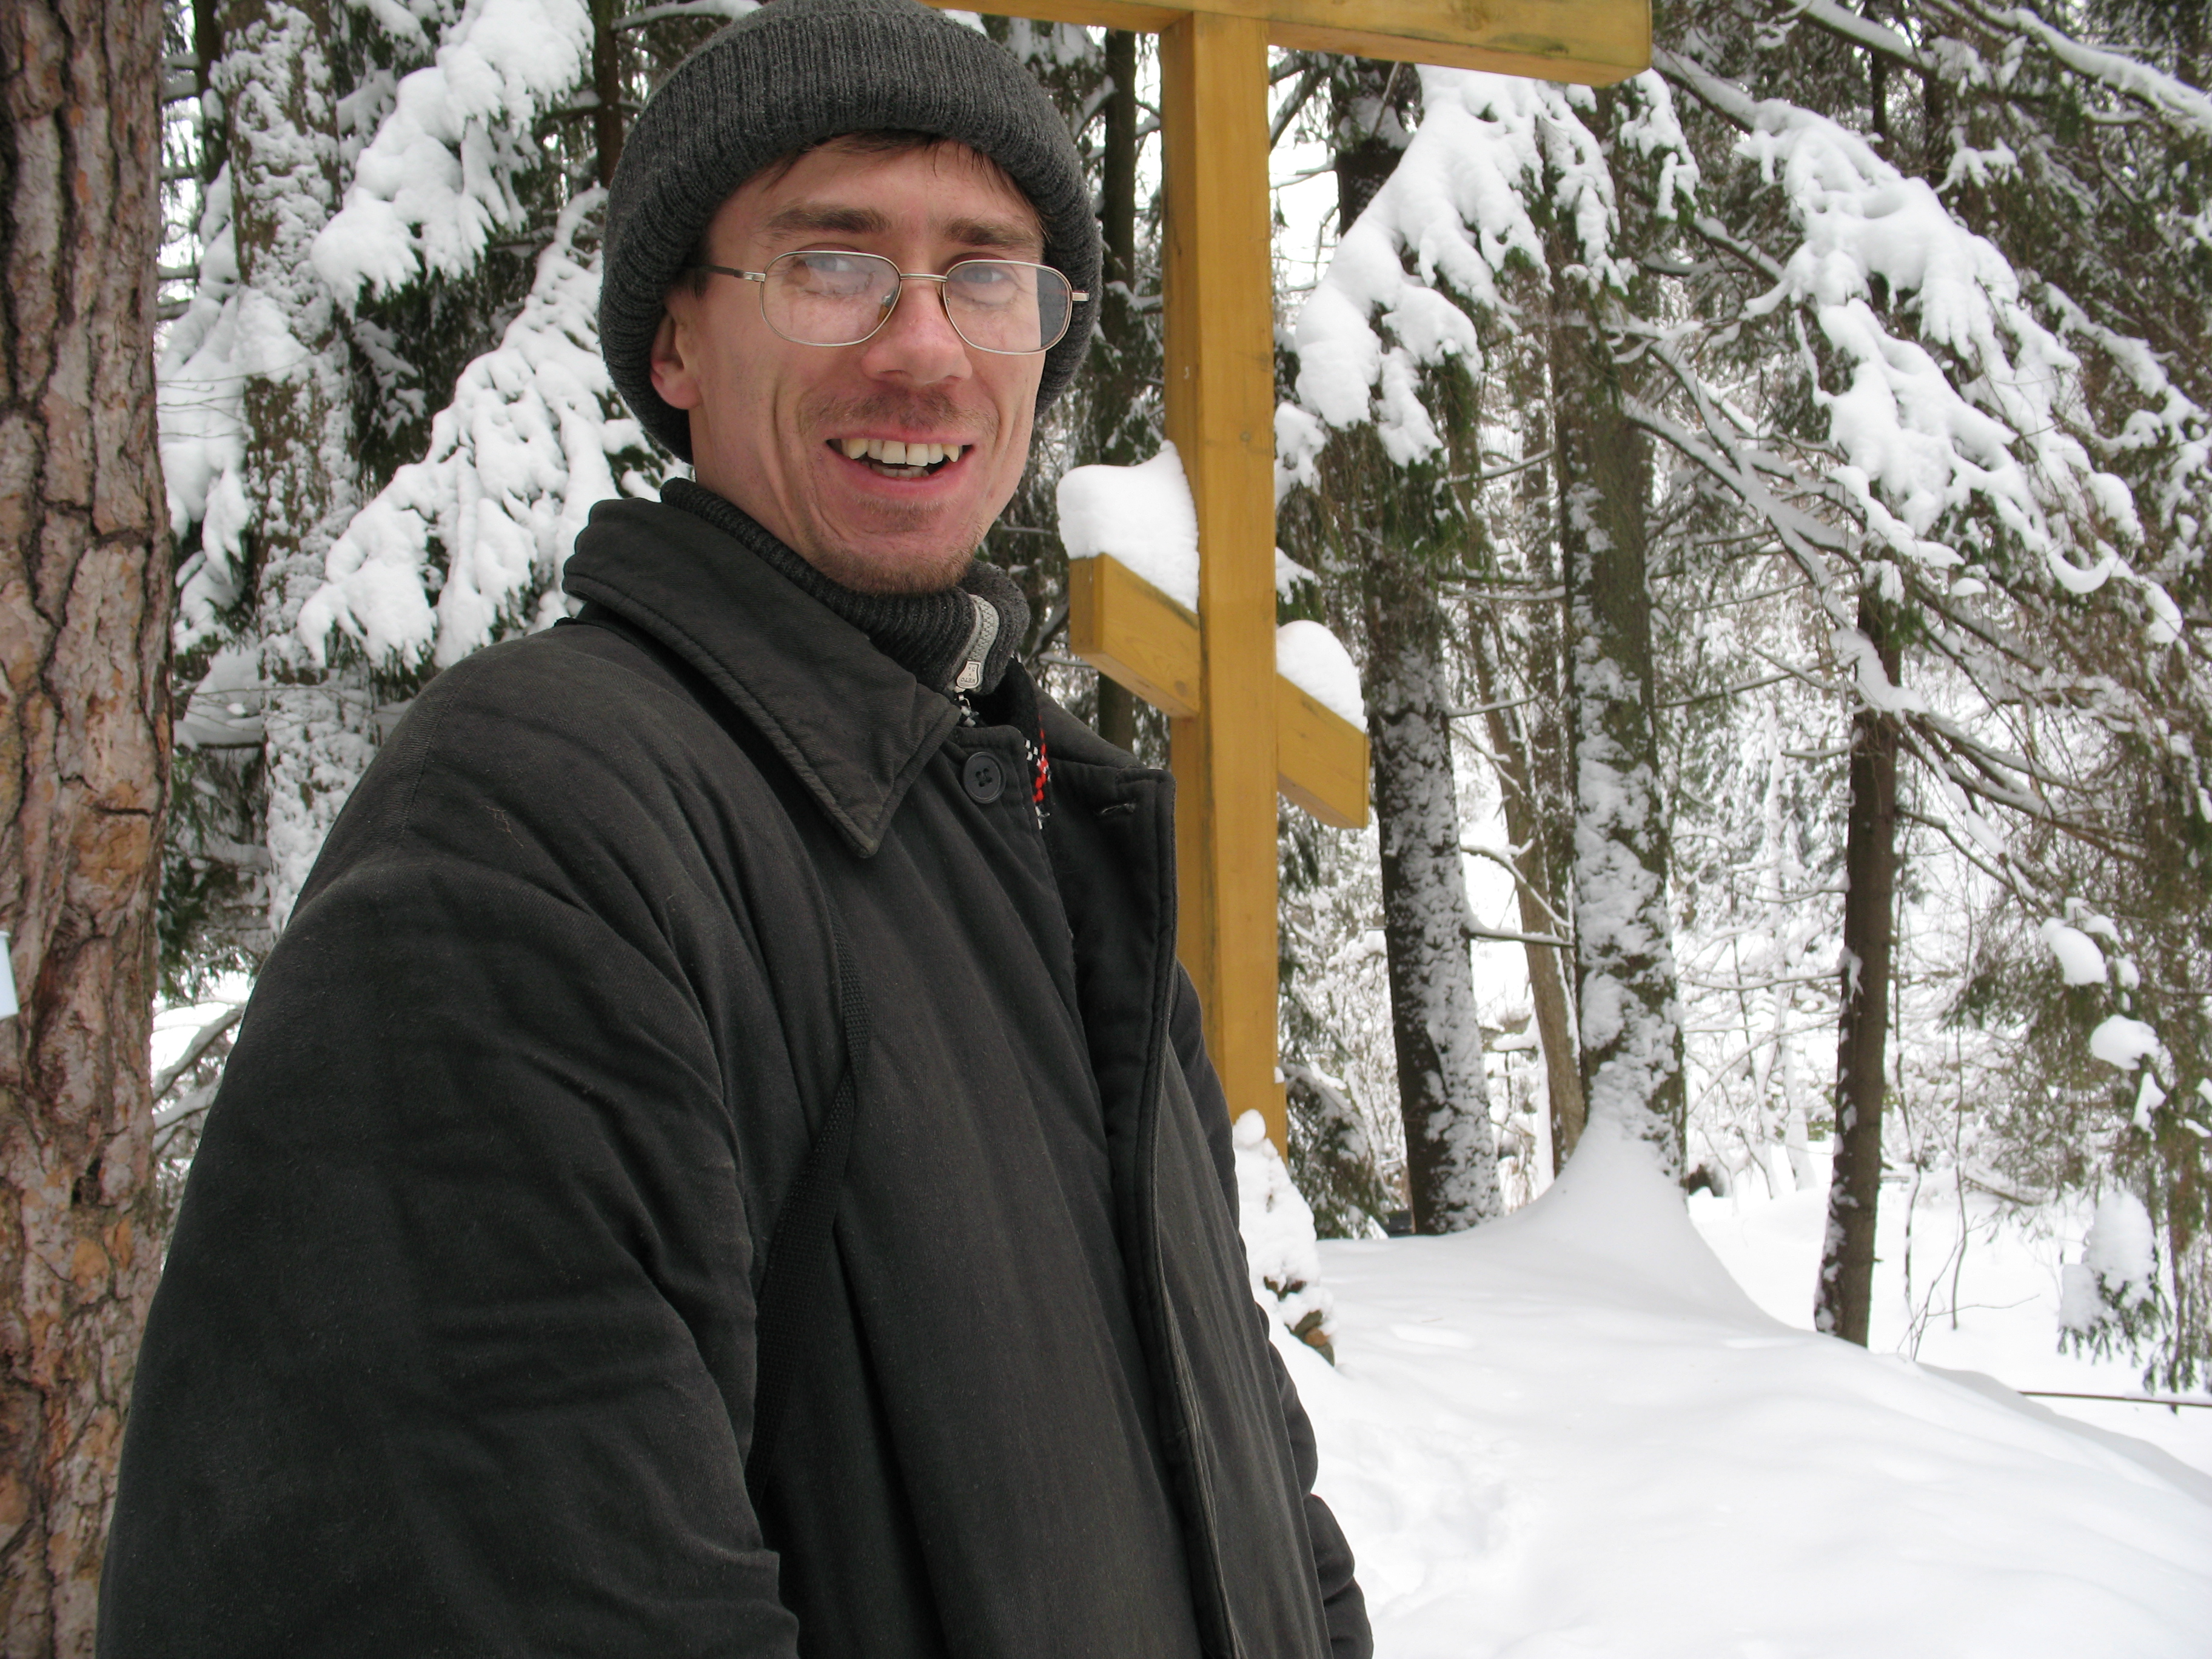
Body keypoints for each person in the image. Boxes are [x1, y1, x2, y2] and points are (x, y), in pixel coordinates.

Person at [99, 2, 1370, 1654]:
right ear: (677, 346)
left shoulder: (1054, 843)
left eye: (985, 272)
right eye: (833, 263)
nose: (925, 349)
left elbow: (1259, 1504)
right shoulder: (539, 831)